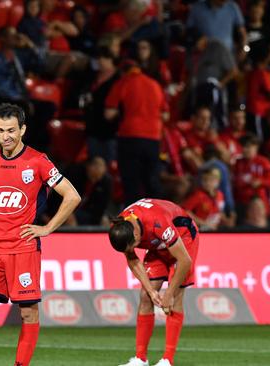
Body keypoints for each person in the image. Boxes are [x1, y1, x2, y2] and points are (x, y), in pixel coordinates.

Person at [0, 103, 80, 366]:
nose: (5, 136)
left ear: (23, 130)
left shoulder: (37, 161)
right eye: (0, 130)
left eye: (11, 130)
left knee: (28, 313)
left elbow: (72, 196)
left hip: (23, 249)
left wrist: (48, 228)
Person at [109, 198, 199, 366]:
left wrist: (168, 294)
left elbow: (184, 260)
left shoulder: (158, 222)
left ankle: (167, 360)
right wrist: (151, 291)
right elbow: (132, 258)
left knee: (176, 297)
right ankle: (140, 359)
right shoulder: (120, 227)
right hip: (158, 244)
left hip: (183, 236)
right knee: (145, 296)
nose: (131, 250)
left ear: (136, 235)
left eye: (133, 246)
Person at [105, 60, 167, 204]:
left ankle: (133, 221)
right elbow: (165, 115)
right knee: (152, 181)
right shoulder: (155, 84)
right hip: (153, 138)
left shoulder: (123, 82)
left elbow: (109, 113)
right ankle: (159, 217)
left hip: (130, 136)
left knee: (131, 183)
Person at [84, 46, 120, 164]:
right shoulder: (93, 76)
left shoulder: (118, 79)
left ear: (110, 59)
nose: (99, 61)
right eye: (98, 58)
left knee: (109, 164)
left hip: (111, 130)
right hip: (93, 126)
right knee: (93, 163)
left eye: (102, 58)